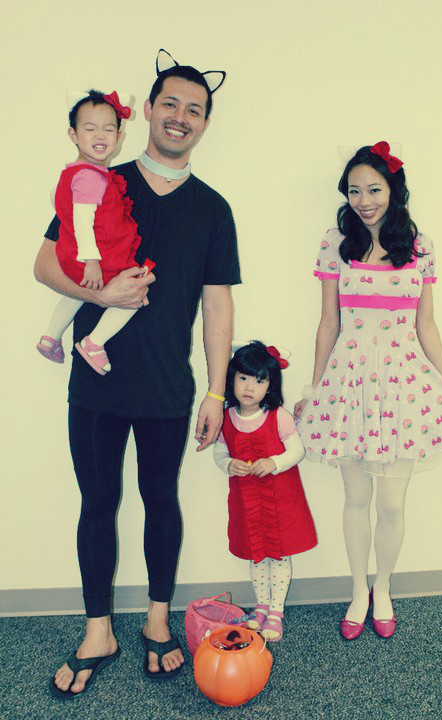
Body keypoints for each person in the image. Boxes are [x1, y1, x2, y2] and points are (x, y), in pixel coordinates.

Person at [34, 49, 240, 697]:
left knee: (161, 500)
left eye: (194, 109)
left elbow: (217, 304)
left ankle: (157, 621)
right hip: (95, 385)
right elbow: (45, 265)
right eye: (170, 103)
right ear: (147, 110)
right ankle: (98, 630)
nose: (181, 116)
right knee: (98, 503)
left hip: (168, 388)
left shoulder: (212, 209)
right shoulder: (98, 179)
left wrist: (216, 391)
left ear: (205, 123)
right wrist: (100, 295)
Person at [294, 142, 442, 641]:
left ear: (393, 191)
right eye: (354, 191)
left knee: (392, 503)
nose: (364, 201)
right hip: (350, 380)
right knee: (356, 496)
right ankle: (358, 590)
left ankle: (383, 587)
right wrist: (316, 386)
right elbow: (328, 321)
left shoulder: (420, 245)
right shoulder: (336, 242)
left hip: (403, 384)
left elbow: (427, 325)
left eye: (374, 190)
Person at [37, 89, 156, 375]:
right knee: (135, 293)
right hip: (95, 257)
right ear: (73, 135)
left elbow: (57, 199)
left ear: (119, 136)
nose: (100, 135)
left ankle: (51, 336)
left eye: (109, 129)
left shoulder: (73, 172)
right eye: (90, 129)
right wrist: (91, 260)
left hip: (72, 257)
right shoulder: (90, 177)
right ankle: (94, 342)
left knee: (78, 291)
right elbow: (81, 220)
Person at [214, 341, 317, 642]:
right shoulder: (226, 417)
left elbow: (297, 451)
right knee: (257, 556)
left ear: (270, 386)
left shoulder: (278, 415)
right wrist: (228, 464)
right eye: (243, 378)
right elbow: (219, 452)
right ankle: (261, 606)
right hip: (247, 501)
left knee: (279, 555)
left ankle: (276, 611)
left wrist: (274, 462)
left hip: (280, 499)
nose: (249, 387)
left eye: (259, 381)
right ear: (232, 378)